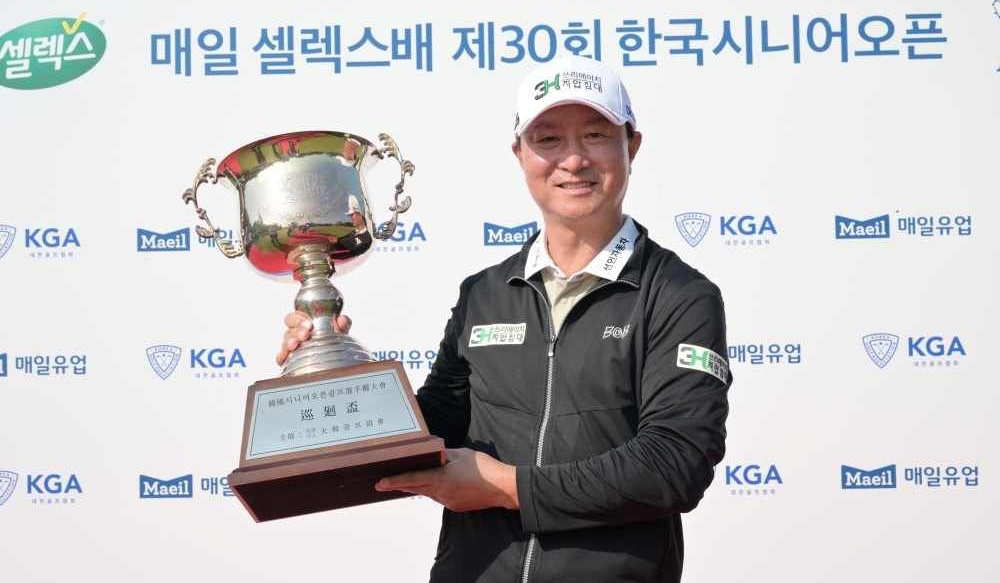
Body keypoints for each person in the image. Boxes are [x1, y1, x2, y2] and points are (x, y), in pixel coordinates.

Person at [277, 55, 731, 583]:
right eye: (548, 139)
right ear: (520, 155)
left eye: (595, 135)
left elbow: (675, 464)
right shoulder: (484, 294)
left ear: (632, 146)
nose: (573, 160)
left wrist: (509, 487)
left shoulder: (680, 296)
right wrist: (337, 378)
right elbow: (433, 428)